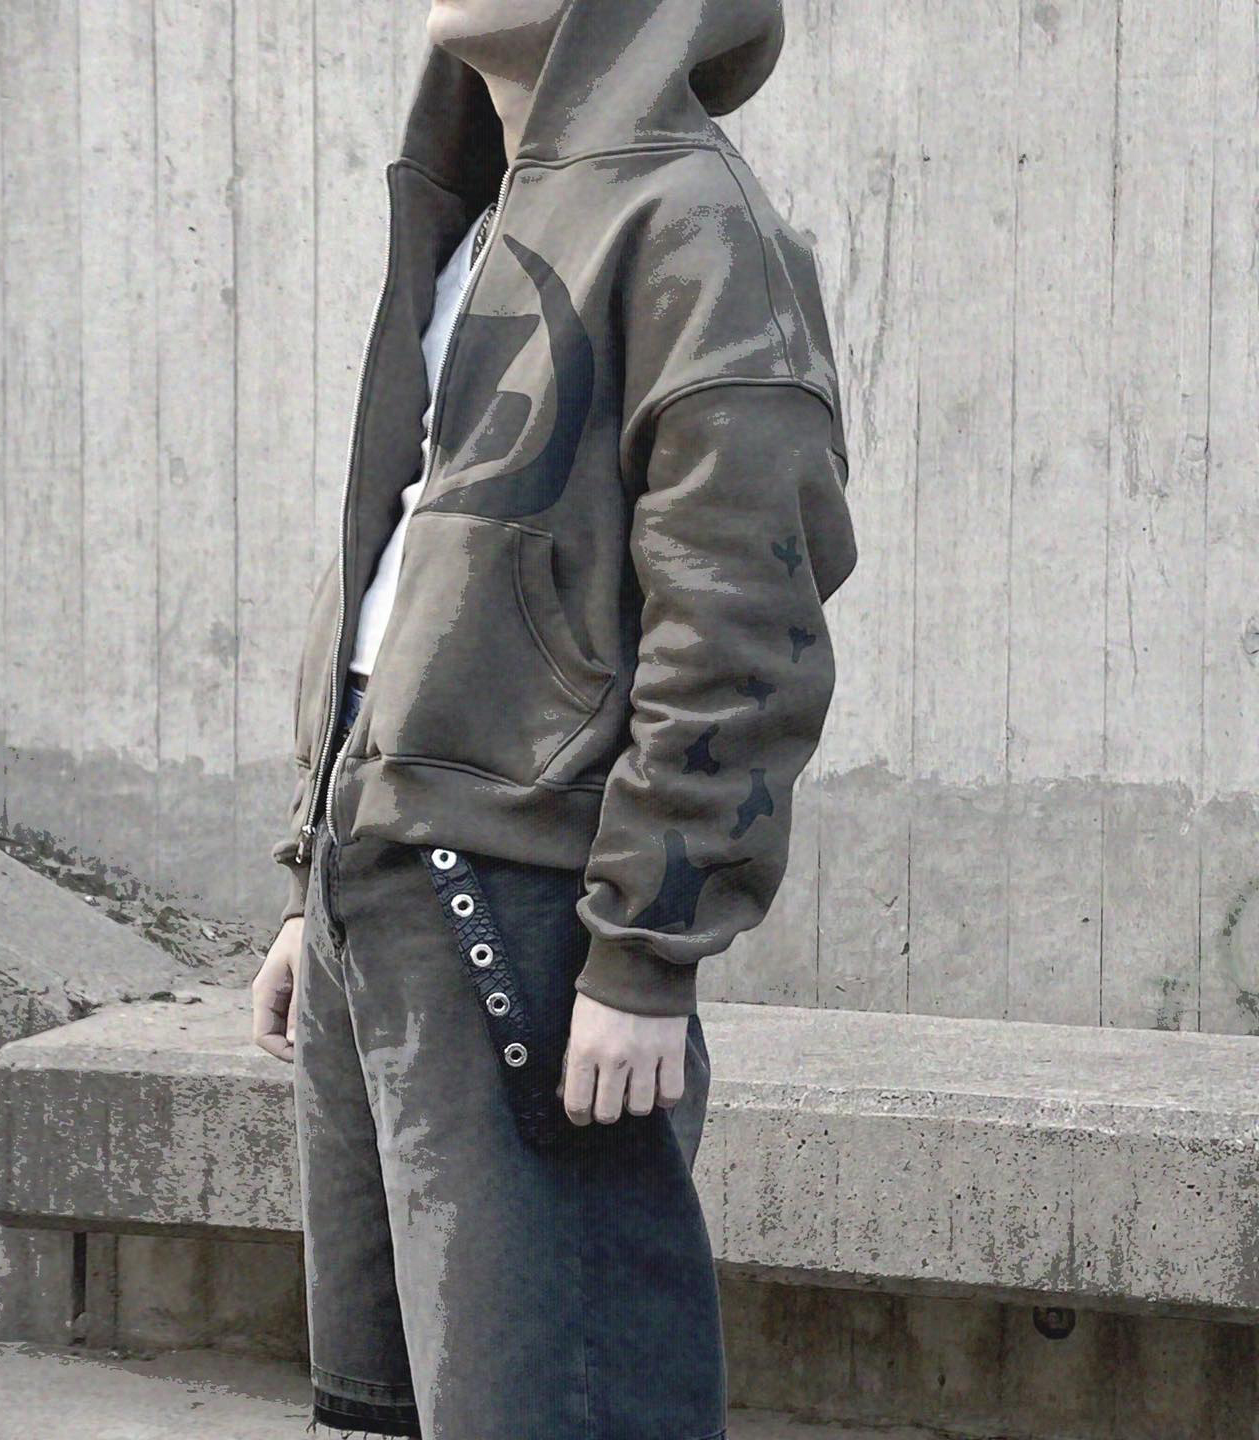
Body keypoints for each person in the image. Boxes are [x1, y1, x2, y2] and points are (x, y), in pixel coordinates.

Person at [251, 0, 858, 1434]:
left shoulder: (693, 221)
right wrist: (314, 870)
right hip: (380, 878)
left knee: (563, 1401)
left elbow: (743, 614)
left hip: (527, 901)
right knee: (387, 1401)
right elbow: (406, 566)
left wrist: (647, 947)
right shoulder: (477, 221)